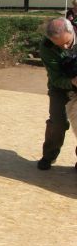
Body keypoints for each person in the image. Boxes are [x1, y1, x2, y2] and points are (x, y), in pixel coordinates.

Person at [38, 17, 77, 170]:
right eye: (60, 45)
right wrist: (72, 83)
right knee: (58, 123)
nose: (66, 47)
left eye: (68, 42)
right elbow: (55, 78)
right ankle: (49, 156)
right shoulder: (46, 46)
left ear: (72, 31)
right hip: (60, 87)